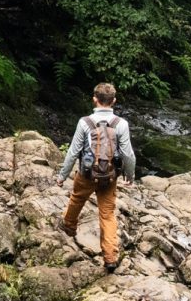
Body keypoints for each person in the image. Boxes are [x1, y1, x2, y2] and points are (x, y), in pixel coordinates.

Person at [58, 82, 136, 271]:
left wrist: (62, 175)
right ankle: (110, 258)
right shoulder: (121, 124)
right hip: (110, 177)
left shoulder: (85, 122)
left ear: (94, 99)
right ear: (114, 101)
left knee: (77, 199)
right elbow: (128, 154)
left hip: (86, 174)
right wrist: (129, 175)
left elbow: (73, 152)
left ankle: (69, 227)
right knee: (108, 215)